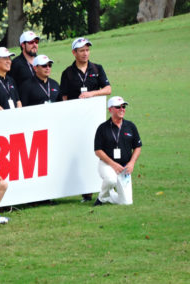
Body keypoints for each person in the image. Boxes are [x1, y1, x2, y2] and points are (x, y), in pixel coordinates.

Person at [60, 37, 112, 202]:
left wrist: (92, 93)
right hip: (75, 121)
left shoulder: (97, 68)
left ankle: (102, 186)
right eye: (81, 50)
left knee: (98, 149)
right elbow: (64, 97)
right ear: (74, 52)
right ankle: (86, 191)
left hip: (94, 118)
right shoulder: (67, 73)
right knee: (80, 151)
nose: (85, 53)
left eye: (87, 50)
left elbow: (108, 89)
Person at [93, 96, 142, 206]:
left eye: (123, 106)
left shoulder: (130, 126)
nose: (122, 109)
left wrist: (132, 163)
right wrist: (113, 164)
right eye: (118, 107)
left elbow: (138, 147)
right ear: (110, 109)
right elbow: (98, 150)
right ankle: (101, 199)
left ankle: (108, 196)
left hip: (124, 168)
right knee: (111, 180)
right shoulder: (102, 128)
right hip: (107, 165)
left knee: (126, 203)